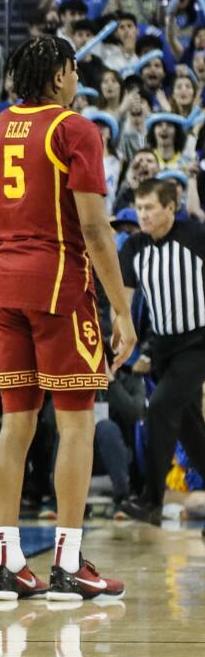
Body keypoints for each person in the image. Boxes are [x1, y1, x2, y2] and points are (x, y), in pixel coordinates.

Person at [0, 36, 136, 601]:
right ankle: (66, 563)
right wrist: (120, 305)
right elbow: (94, 229)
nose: (76, 80)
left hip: (3, 289)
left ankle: (9, 564)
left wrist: (1, 275)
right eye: (73, 70)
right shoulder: (73, 128)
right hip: (59, 287)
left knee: (15, 426)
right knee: (76, 426)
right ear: (60, 75)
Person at [117, 179, 205, 523]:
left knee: (161, 408)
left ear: (171, 207)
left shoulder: (197, 236)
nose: (143, 215)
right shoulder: (134, 248)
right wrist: (126, 339)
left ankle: (151, 500)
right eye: (139, 208)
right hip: (163, 348)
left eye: (150, 207)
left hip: (199, 341)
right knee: (188, 427)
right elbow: (123, 301)